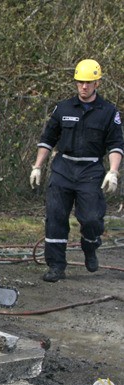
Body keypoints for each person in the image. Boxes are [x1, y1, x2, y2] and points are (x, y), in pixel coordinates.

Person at [30, 59, 123, 283]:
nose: (84, 86)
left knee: (91, 219)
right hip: (63, 168)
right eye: (80, 82)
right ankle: (56, 266)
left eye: (89, 82)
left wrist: (113, 171)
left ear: (97, 83)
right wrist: (37, 167)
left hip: (90, 171)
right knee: (55, 218)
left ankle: (90, 247)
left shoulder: (108, 112)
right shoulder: (63, 109)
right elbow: (47, 140)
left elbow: (116, 145)